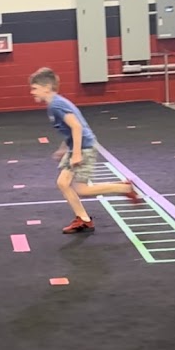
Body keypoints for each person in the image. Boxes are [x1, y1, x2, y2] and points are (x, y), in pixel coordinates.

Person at [29, 67, 138, 233]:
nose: (32, 92)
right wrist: (64, 148)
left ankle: (125, 189)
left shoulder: (57, 105)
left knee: (81, 189)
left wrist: (77, 153)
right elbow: (70, 130)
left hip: (84, 148)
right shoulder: (54, 104)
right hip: (76, 146)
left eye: (35, 88)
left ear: (47, 87)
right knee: (63, 183)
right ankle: (84, 219)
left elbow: (77, 127)